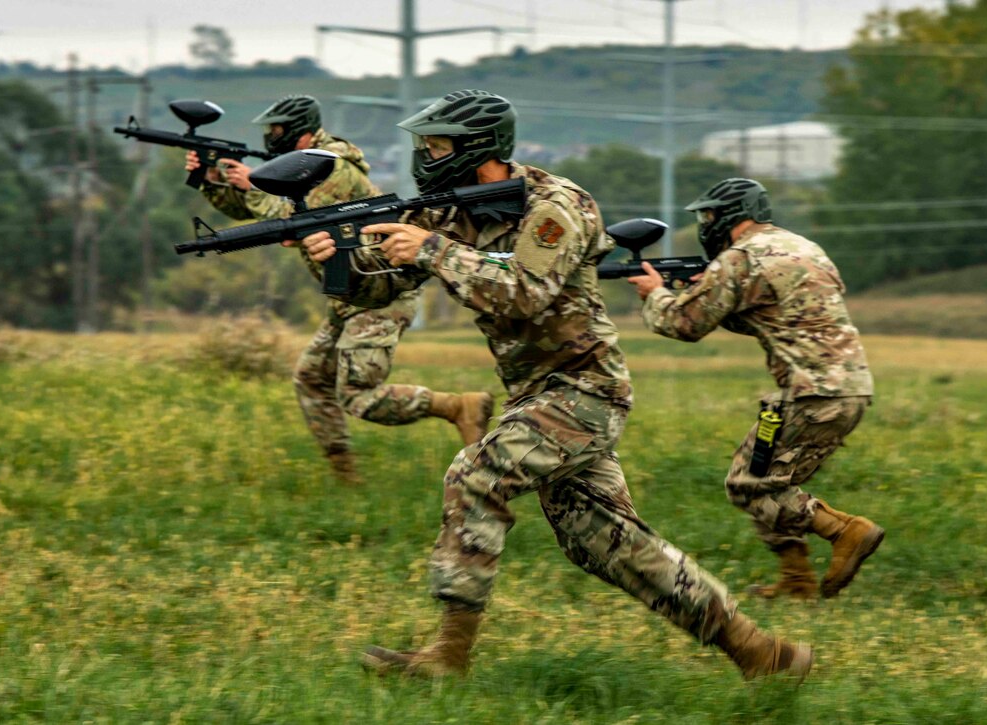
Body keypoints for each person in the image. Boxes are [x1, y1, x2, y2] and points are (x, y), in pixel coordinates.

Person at [299, 89, 812, 680]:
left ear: (477, 149)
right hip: (535, 395)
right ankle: (760, 654)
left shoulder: (557, 205)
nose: (424, 155)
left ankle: (449, 655)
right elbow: (380, 293)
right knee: (606, 543)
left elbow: (523, 291)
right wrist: (333, 254)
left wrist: (435, 251)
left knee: (475, 475)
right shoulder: (442, 212)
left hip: (586, 389)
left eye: (435, 145)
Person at [184, 94, 493, 484]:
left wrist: (251, 184)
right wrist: (209, 182)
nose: (270, 138)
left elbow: (288, 215)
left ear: (302, 133)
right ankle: (347, 479)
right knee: (312, 379)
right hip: (349, 290)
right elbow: (260, 213)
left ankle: (459, 407)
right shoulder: (306, 165)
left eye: (277, 130)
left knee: (359, 395)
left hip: (381, 289)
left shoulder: (331, 167)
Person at [628, 177, 883, 600]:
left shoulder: (740, 258)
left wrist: (656, 295)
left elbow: (683, 325)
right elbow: (770, 315)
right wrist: (700, 290)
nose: (706, 224)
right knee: (768, 480)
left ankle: (846, 532)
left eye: (709, 215)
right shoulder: (803, 247)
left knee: (748, 484)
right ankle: (796, 579)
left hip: (811, 394)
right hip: (849, 389)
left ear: (730, 215)